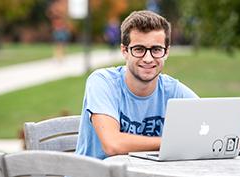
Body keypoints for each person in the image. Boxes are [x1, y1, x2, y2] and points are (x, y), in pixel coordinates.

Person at [75, 10, 199, 160]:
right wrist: (171, 143)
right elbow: (112, 144)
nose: (148, 58)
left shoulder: (173, 90)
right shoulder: (103, 82)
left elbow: (214, 126)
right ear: (124, 51)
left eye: (156, 50)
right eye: (139, 49)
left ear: (166, 52)